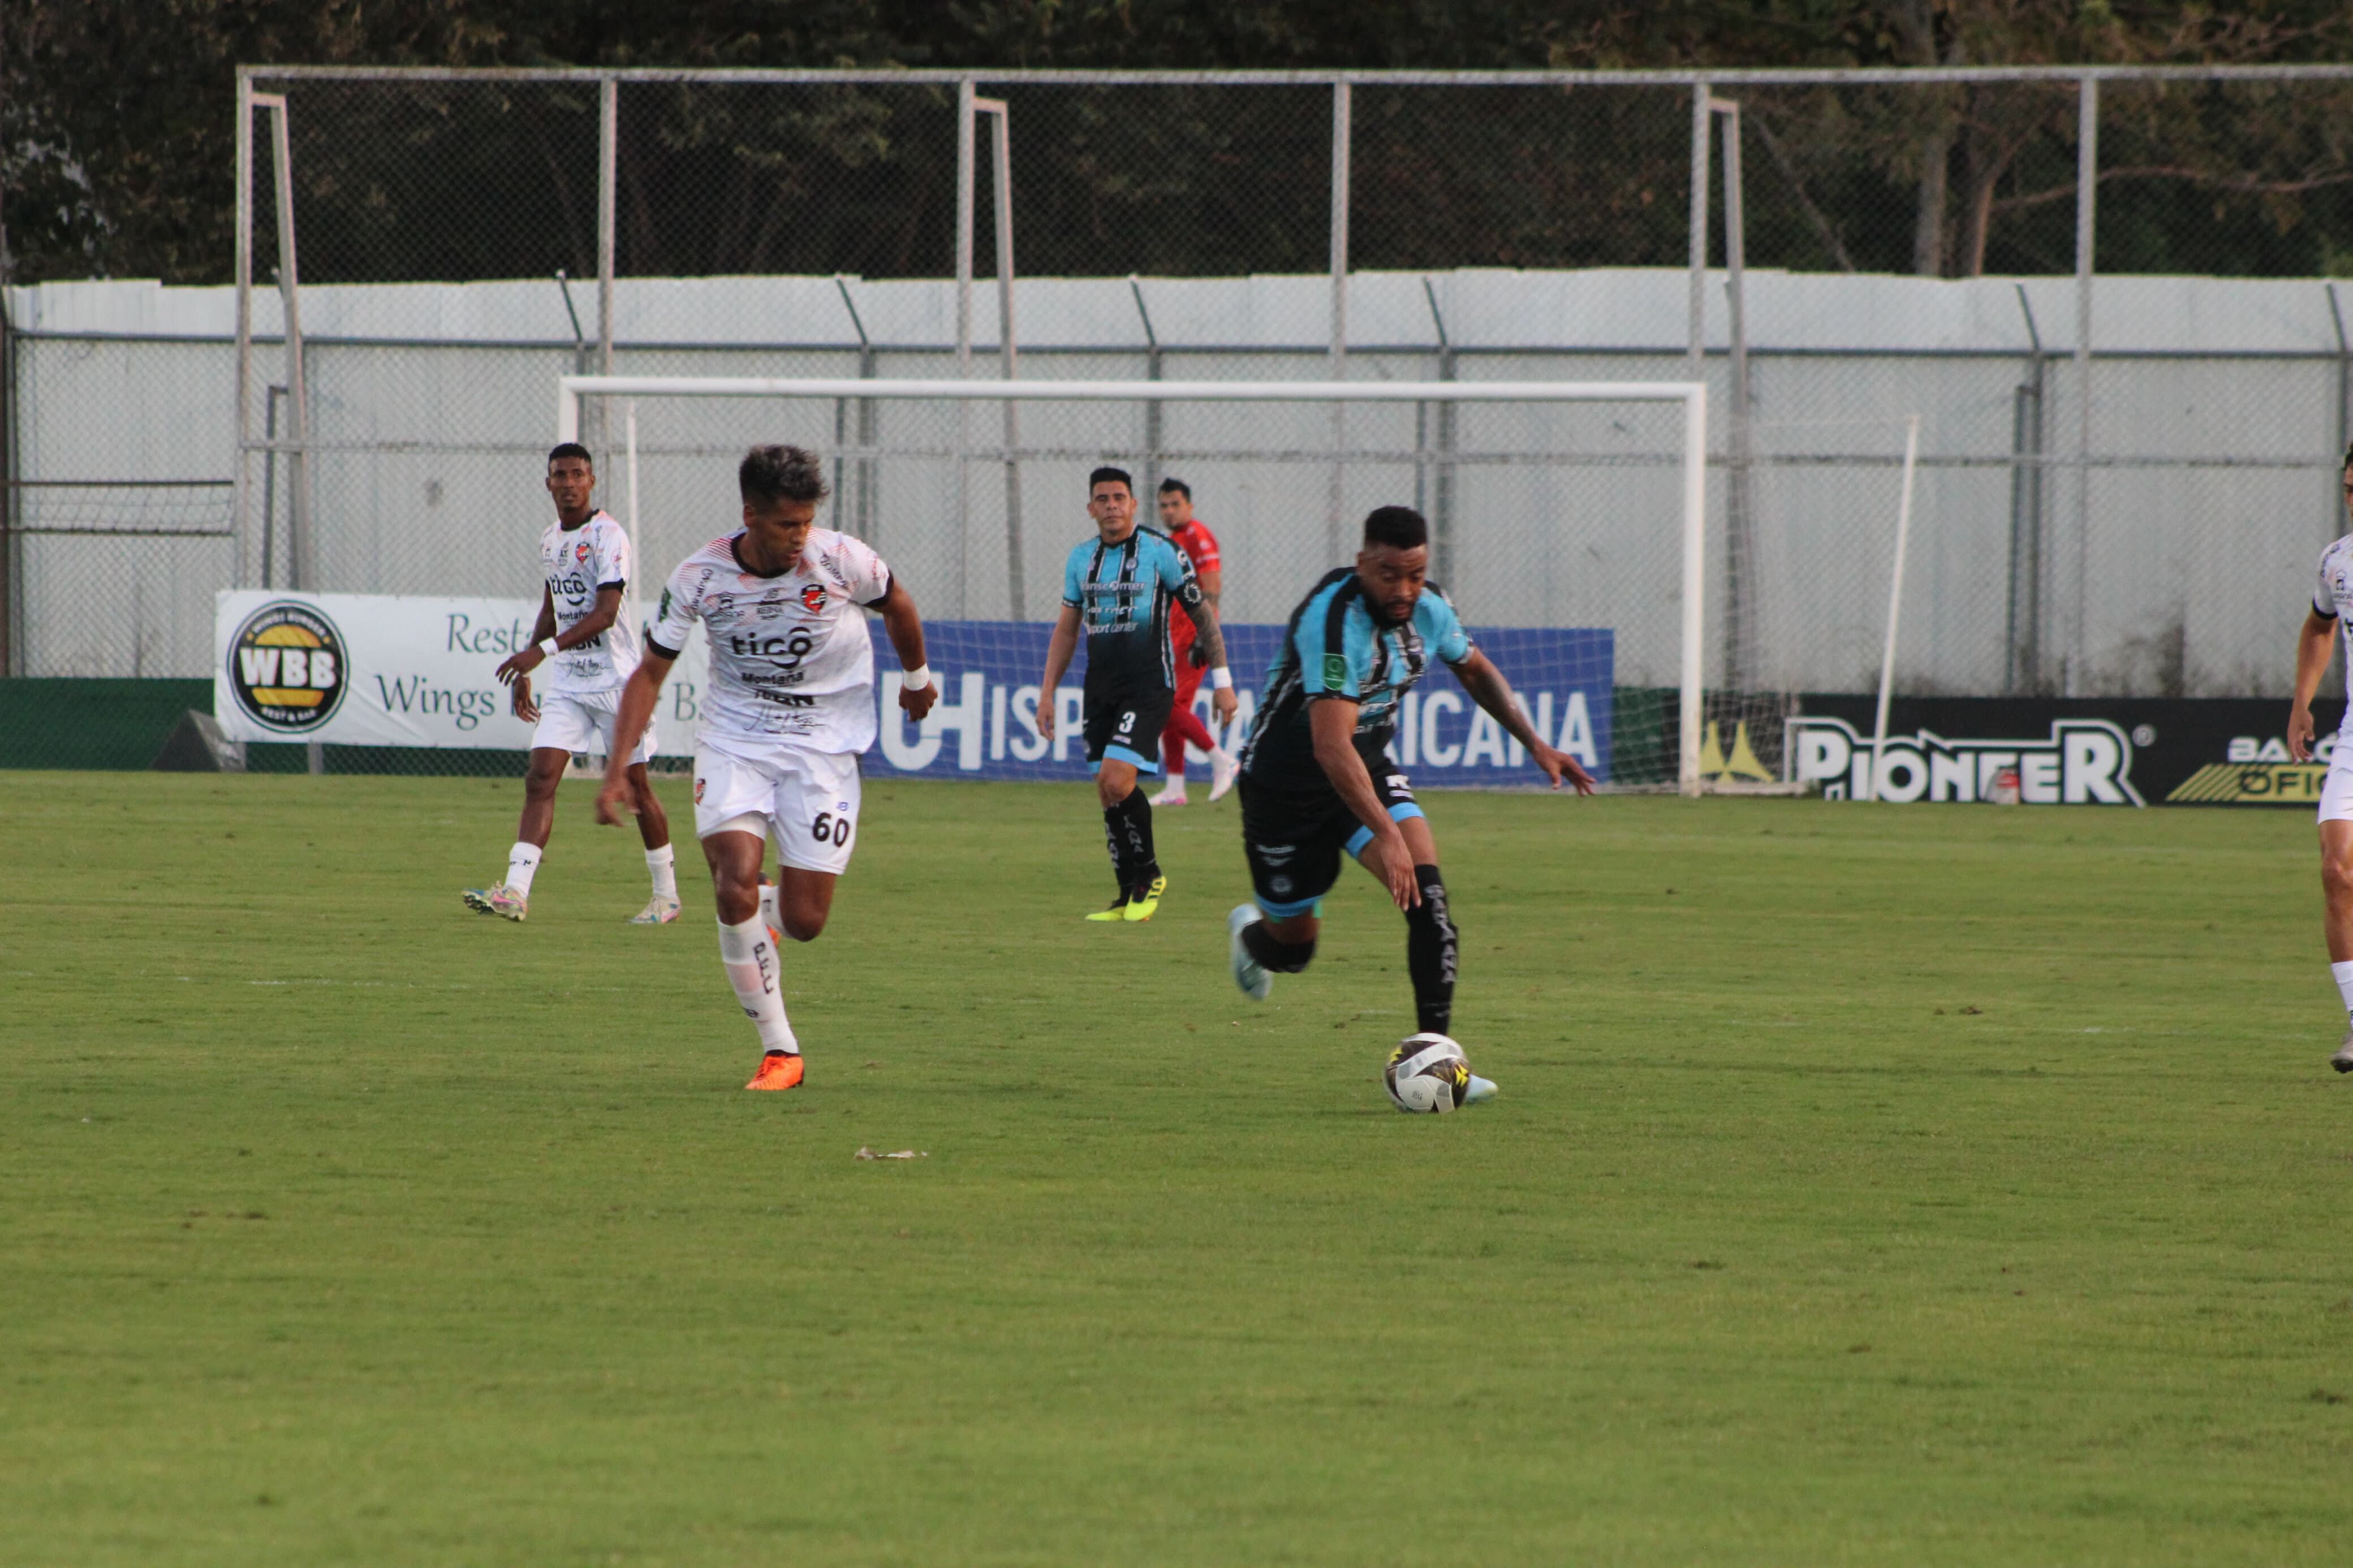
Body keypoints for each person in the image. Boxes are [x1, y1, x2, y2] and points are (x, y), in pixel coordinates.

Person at [593, 444, 938, 1091]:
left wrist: (916, 679)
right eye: (786, 524)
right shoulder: (699, 577)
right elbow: (650, 673)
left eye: (806, 522)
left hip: (823, 744)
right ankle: (781, 1051)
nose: (798, 536)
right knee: (733, 880)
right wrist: (617, 767)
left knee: (805, 922)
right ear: (750, 514)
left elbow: (899, 605)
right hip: (735, 740)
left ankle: (757, 920)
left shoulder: (841, 559)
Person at [1225, 505, 1595, 1090]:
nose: (1404, 590)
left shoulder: (1429, 608)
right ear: (1362, 563)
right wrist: (1388, 835)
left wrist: (1536, 744)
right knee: (1291, 952)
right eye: (1390, 575)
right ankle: (1250, 935)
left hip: (1365, 765)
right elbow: (1327, 746)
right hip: (1285, 788)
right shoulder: (1332, 624)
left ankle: (1442, 1061)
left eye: (1416, 575)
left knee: (1430, 904)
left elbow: (1473, 670)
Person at [463, 442, 676, 923]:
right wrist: (529, 668)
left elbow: (604, 614)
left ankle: (667, 896)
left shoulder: (609, 536)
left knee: (638, 789)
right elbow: (552, 608)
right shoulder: (549, 539)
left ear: (591, 481)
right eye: (559, 475)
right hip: (570, 685)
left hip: (618, 684)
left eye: (577, 474)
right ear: (548, 483)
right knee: (540, 777)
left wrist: (541, 651)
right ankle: (515, 892)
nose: (568, 483)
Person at [1039, 467, 1238, 922]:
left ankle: (1150, 873)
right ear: (1091, 508)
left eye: (1120, 498)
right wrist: (1047, 692)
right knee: (1105, 793)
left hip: (1149, 686)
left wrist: (1223, 684)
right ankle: (1128, 895)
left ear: (1132, 505)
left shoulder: (1160, 551)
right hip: (1100, 690)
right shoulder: (1080, 560)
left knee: (1117, 780)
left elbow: (1203, 616)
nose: (1111, 505)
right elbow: (1067, 630)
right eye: (1103, 499)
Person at [2287, 440, 2353, 1070]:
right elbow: (2317, 627)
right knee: (2336, 871)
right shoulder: (2336, 562)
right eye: (2351, 488)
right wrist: (2301, 701)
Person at [1150, 477, 1240, 807]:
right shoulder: (1172, 539)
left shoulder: (1198, 536)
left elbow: (1213, 583)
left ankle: (1222, 760)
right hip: (1173, 634)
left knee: (1165, 705)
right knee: (1172, 709)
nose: (1169, 511)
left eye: (1175, 504)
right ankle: (1175, 787)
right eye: (1164, 505)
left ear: (1189, 505)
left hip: (1193, 635)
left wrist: (1206, 632)